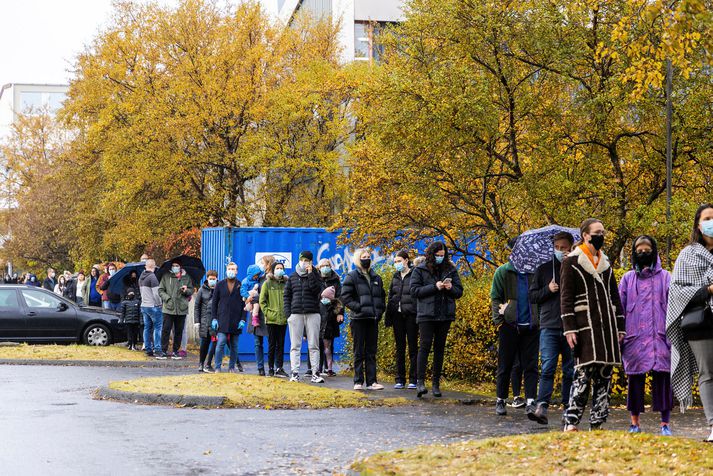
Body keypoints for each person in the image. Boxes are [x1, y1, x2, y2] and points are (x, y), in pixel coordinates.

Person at [561, 218, 625, 432]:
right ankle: (571, 422)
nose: (602, 235)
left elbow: (614, 297)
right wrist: (569, 328)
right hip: (584, 325)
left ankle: (597, 422)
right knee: (582, 375)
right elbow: (566, 297)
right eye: (598, 232)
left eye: (603, 232)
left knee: (604, 376)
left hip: (606, 326)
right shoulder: (571, 262)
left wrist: (620, 326)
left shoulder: (606, 264)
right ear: (585, 235)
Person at [667, 204, 713, 442]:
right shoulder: (688, 254)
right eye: (707, 218)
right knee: (708, 373)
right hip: (701, 322)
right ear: (698, 224)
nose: (711, 222)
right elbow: (677, 292)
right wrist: (708, 289)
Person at [619, 235, 673, 435]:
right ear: (634, 252)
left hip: (660, 336)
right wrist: (620, 332)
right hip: (635, 337)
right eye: (639, 249)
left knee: (663, 381)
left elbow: (674, 307)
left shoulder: (666, 277)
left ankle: (665, 424)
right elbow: (620, 309)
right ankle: (635, 423)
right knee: (635, 381)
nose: (643, 252)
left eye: (647, 249)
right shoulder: (627, 279)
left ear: (654, 250)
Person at [528, 231, 575, 425]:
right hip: (549, 325)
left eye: (563, 248)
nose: (560, 251)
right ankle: (542, 406)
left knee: (570, 370)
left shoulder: (576, 267)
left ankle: (568, 409)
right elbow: (533, 296)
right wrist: (548, 289)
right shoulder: (544, 269)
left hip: (571, 326)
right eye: (557, 248)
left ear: (571, 248)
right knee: (547, 367)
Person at [490, 250, 539, 417]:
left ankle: (531, 401)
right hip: (509, 325)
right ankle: (501, 400)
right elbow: (495, 297)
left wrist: (538, 319)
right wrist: (499, 321)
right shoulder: (503, 271)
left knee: (531, 365)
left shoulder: (535, 272)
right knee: (505, 364)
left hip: (531, 326)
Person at [411, 242, 463, 398]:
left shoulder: (450, 269)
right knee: (425, 347)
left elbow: (459, 291)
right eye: (438, 255)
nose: (440, 258)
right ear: (431, 254)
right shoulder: (420, 269)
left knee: (439, 349)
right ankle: (420, 382)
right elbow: (414, 291)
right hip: (427, 314)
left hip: (444, 314)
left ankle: (435, 384)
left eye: (443, 255)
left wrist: (450, 288)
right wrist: (435, 287)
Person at [341, 248, 386, 391]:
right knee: (359, 351)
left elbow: (382, 297)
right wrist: (359, 307)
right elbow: (345, 297)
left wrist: (378, 312)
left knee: (371, 352)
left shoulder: (376, 277)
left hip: (372, 319)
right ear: (357, 259)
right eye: (363, 256)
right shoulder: (352, 276)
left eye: (368, 256)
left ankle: (372, 381)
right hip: (358, 319)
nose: (366, 258)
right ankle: (358, 381)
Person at [285, 251, 325, 383]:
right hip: (296, 314)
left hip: (313, 312)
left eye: (307, 260)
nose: (304, 262)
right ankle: (295, 373)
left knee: (313, 345)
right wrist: (288, 314)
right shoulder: (292, 277)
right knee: (295, 345)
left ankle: (315, 373)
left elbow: (316, 291)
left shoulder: (316, 275)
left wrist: (311, 274)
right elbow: (287, 296)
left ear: (311, 262)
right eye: (302, 260)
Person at [386, 250, 418, 390]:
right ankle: (400, 379)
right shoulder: (395, 276)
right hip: (397, 316)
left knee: (413, 348)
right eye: (395, 262)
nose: (397, 264)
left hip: (411, 315)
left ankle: (413, 379)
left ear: (406, 260)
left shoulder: (415, 274)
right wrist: (389, 316)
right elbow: (391, 296)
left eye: (399, 261)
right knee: (400, 348)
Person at [212, 262, 246, 372]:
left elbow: (244, 304)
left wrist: (243, 319)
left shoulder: (240, 285)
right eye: (230, 269)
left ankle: (231, 367)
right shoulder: (220, 284)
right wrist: (214, 318)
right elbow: (214, 303)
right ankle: (217, 367)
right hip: (222, 320)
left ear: (237, 271)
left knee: (234, 346)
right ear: (226, 270)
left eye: (234, 269)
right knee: (221, 343)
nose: (231, 271)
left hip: (236, 320)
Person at [158, 261, 194, 360]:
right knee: (166, 330)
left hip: (181, 308)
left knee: (179, 331)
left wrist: (186, 290)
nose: (175, 267)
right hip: (168, 308)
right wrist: (168, 299)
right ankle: (163, 351)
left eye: (177, 266)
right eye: (173, 266)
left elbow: (191, 290)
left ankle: (175, 351)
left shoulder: (186, 278)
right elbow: (160, 290)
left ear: (180, 266)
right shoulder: (166, 276)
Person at [260, 261, 289, 378]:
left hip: (283, 320)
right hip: (271, 320)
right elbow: (262, 301)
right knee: (272, 344)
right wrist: (268, 313)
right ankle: (271, 368)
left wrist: (287, 313)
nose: (279, 270)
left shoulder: (286, 283)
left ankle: (279, 368)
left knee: (281, 345)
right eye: (277, 268)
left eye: (281, 268)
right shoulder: (267, 283)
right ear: (273, 270)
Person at [318, 258, 342, 376]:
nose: (325, 267)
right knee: (316, 343)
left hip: (331, 315)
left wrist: (339, 312)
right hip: (318, 314)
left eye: (327, 265)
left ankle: (328, 368)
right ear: (319, 267)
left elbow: (340, 298)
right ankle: (315, 368)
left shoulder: (335, 279)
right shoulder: (315, 278)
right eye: (323, 265)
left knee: (329, 343)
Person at [242, 263, 267, 375]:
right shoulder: (247, 281)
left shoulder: (264, 280)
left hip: (266, 314)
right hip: (255, 315)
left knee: (271, 342)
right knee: (257, 343)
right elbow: (244, 295)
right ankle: (260, 368)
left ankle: (273, 367)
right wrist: (248, 298)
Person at [139, 259, 164, 358]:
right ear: (154, 266)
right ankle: (158, 350)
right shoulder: (152, 277)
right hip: (153, 306)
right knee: (158, 328)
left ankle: (148, 349)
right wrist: (159, 304)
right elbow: (156, 293)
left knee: (147, 328)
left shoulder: (141, 277)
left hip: (144, 305)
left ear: (146, 266)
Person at [195, 270, 218, 373]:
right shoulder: (202, 290)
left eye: (214, 279)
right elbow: (197, 306)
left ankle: (210, 364)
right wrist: (197, 321)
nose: (212, 281)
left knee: (215, 343)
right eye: (210, 279)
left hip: (215, 321)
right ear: (207, 279)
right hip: (204, 321)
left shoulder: (219, 289)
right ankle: (201, 363)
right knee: (204, 344)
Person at [320, 286, 344, 377]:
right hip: (320, 331)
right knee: (320, 350)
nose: (323, 299)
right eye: (322, 297)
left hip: (329, 332)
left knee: (328, 350)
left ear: (330, 298)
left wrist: (340, 318)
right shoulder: (320, 306)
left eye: (325, 297)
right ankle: (318, 369)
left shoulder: (336, 309)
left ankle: (329, 369)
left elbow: (338, 321)